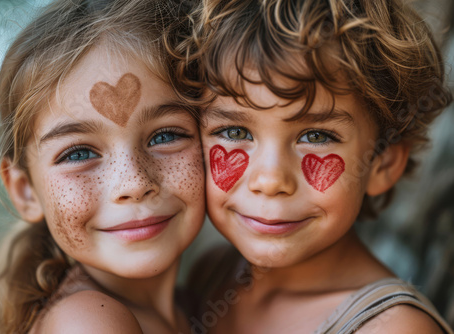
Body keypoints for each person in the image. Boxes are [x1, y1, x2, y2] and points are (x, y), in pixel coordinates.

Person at [175, 0, 454, 333]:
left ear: (383, 162)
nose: (270, 179)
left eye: (316, 135)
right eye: (235, 132)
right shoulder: (214, 274)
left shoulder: (391, 328)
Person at [0, 0, 205, 333]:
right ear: (25, 191)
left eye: (165, 135)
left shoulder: (201, 301)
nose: (134, 183)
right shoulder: (88, 322)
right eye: (78, 154)